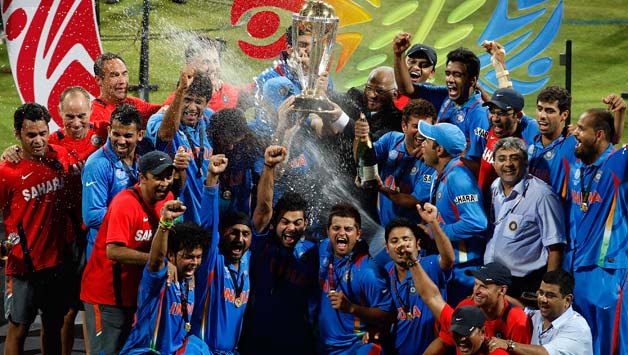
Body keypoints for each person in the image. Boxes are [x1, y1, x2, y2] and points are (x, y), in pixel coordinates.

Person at [1, 103, 80, 355]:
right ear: (17, 134)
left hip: (57, 263)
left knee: (53, 325)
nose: (38, 140)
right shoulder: (7, 171)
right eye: (31, 135)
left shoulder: (62, 158)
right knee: (18, 329)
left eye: (43, 133)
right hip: (24, 266)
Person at [80, 150, 177, 355]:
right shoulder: (125, 204)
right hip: (106, 297)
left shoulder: (167, 199)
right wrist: (156, 261)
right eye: (158, 178)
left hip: (136, 296)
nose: (164, 183)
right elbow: (113, 251)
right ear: (141, 177)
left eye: (168, 177)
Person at [239, 145, 319, 355]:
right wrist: (269, 167)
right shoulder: (263, 243)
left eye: (297, 222)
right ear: (275, 223)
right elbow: (264, 208)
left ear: (306, 223)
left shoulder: (315, 253)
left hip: (295, 340)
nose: (291, 228)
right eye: (285, 221)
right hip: (257, 337)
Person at [567, 109, 628, 355]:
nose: (575, 132)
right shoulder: (577, 164)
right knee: (583, 343)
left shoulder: (618, 164)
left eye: (581, 129)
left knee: (610, 345)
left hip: (607, 270)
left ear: (599, 135)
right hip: (576, 269)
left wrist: (621, 116)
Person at [120, 201, 211, 355]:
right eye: (188, 257)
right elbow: (156, 261)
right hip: (144, 351)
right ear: (171, 255)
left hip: (174, 351)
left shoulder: (189, 280)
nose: (194, 263)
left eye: (198, 257)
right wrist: (165, 223)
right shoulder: (160, 280)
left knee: (200, 348)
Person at [485, 137, 565, 300]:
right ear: (494, 164)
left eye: (514, 158)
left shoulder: (542, 195)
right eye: (502, 159)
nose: (508, 164)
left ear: (525, 162)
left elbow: (555, 247)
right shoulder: (495, 187)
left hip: (524, 284)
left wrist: (546, 291)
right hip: (493, 278)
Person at [418, 121, 487, 306]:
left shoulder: (459, 178)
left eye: (427, 141)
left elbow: (477, 222)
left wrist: (437, 232)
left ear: (439, 150)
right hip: (450, 265)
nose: (422, 144)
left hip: (464, 272)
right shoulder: (439, 174)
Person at [191, 154, 254, 354]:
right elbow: (209, 228)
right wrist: (212, 180)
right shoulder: (213, 261)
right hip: (204, 350)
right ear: (222, 235)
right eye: (234, 233)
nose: (240, 239)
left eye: (245, 234)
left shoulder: (248, 262)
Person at [317, 202, 395, 355]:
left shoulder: (368, 272)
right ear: (327, 231)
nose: (341, 233)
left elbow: (389, 314)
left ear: (358, 234)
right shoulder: (323, 248)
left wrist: (352, 308)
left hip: (353, 348)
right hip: (321, 347)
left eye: (348, 229)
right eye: (336, 228)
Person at [400, 257, 515, 354]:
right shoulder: (463, 312)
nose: (462, 338)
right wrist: (412, 262)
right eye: (458, 332)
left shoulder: (514, 323)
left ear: (483, 333)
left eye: (467, 332)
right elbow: (431, 297)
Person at [384, 204, 455, 355]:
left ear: (418, 244)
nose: (401, 245)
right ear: (387, 248)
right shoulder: (384, 273)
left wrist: (433, 223)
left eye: (406, 239)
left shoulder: (429, 265)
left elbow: (448, 259)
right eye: (394, 241)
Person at [146, 67, 214, 223]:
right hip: (175, 213)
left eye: (198, 102)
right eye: (187, 99)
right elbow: (166, 134)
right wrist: (182, 89)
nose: (191, 107)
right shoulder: (159, 119)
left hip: (205, 211)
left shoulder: (209, 119)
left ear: (207, 103)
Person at [355, 99, 437, 226]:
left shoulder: (432, 161)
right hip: (384, 224)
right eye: (416, 126)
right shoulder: (391, 139)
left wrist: (381, 188)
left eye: (426, 127)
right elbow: (364, 158)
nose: (421, 132)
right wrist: (360, 137)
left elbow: (414, 201)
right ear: (404, 126)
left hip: (410, 234)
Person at [487, 269, 593, 355]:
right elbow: (522, 309)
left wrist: (508, 344)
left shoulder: (577, 327)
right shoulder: (537, 316)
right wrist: (495, 294)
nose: (543, 299)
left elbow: (545, 353)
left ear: (567, 300)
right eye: (541, 293)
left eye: (550, 295)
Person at [465, 88, 539, 197]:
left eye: (502, 113)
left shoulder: (522, 141)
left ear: (518, 116)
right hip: (484, 204)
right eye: (492, 111)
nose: (495, 118)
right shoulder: (494, 128)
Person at [163, 36, 253, 112]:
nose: (213, 68)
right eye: (206, 62)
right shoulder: (177, 101)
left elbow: (256, 91)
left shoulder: (228, 91)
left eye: (215, 61)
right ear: (190, 66)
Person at [434, 48, 489, 155]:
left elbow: (476, 162)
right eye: (448, 73)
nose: (450, 79)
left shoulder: (479, 115)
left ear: (472, 80)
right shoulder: (449, 98)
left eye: (457, 75)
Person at [206, 107, 261, 216]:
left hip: (238, 210)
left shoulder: (249, 145)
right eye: (226, 142)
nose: (231, 147)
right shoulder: (207, 147)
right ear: (216, 135)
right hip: (211, 212)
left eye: (235, 142)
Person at [90, 52, 162, 127]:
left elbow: (167, 111)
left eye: (124, 74)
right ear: (99, 80)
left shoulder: (133, 104)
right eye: (114, 75)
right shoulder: (92, 114)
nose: (122, 81)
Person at [391, 33, 445, 111]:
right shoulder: (388, 88)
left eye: (424, 65)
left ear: (431, 73)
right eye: (412, 61)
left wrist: (398, 55)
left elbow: (407, 89)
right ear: (403, 63)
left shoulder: (433, 95)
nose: (416, 67)